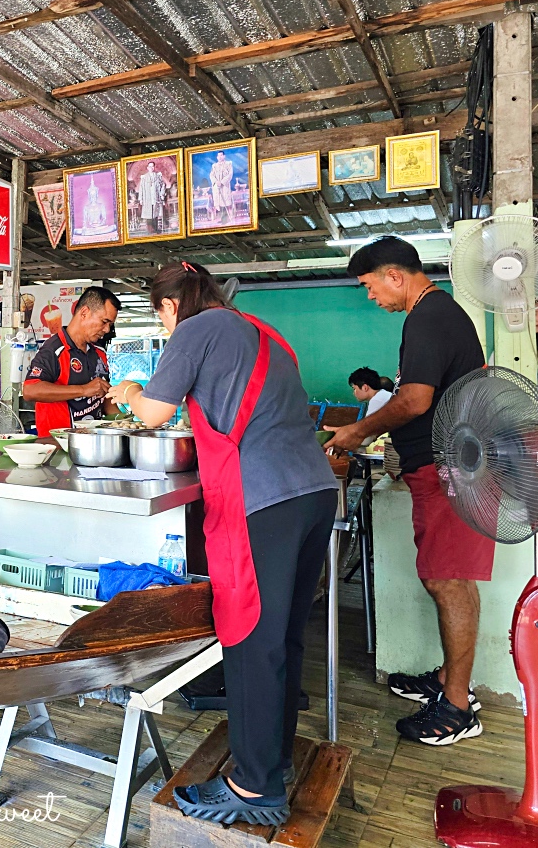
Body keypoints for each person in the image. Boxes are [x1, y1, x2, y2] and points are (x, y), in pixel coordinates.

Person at [106, 262, 337, 826]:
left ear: (169, 306)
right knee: (282, 636)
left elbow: (157, 412)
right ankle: (272, 762)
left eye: (161, 320)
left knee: (250, 636)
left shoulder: (195, 330)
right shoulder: (261, 332)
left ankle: (255, 789)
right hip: (313, 492)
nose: (166, 331)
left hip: (262, 500)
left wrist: (132, 389)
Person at [325, 236, 490, 746]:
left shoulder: (429, 317)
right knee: (443, 577)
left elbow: (416, 401)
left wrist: (357, 432)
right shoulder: (431, 316)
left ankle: (459, 707)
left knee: (450, 581)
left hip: (454, 472)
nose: (371, 296)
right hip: (439, 470)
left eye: (370, 286)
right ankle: (448, 680)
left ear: (395, 276)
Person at [22, 286, 120, 436]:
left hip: (93, 441)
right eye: (104, 322)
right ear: (84, 313)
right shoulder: (54, 349)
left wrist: (126, 424)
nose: (107, 330)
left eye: (110, 325)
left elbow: (103, 396)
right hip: (59, 443)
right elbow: (30, 391)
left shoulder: (99, 352)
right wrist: (83, 390)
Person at [137, 160, 167, 234]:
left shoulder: (157, 176)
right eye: (150, 166)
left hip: (155, 198)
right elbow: (141, 188)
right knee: (148, 214)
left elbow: (162, 185)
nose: (151, 168)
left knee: (155, 214)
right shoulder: (144, 178)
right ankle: (150, 230)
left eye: (152, 166)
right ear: (147, 168)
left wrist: (161, 194)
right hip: (147, 198)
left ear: (154, 168)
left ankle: (156, 229)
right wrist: (140, 198)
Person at [210, 151, 234, 223]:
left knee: (225, 202)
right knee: (219, 203)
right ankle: (222, 219)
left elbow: (230, 174)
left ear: (224, 156)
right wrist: (216, 182)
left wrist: (222, 182)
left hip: (224, 187)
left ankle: (226, 219)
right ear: (217, 157)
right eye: (218, 156)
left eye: (221, 155)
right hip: (217, 187)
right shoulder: (214, 166)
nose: (220, 157)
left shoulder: (228, 164)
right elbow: (211, 175)